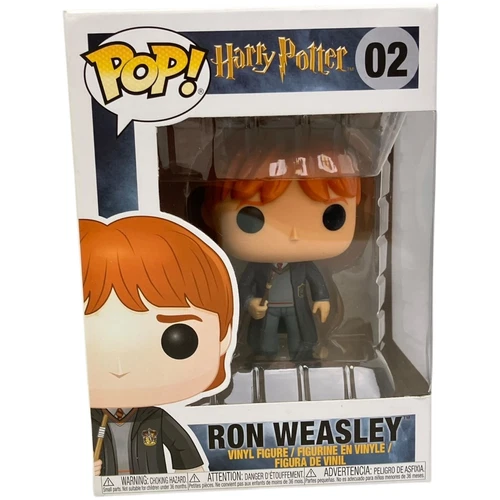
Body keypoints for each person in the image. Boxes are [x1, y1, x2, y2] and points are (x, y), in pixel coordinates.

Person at [79, 215, 236, 475]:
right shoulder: (88, 421)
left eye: (178, 339)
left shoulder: (155, 418)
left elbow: (189, 463)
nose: (120, 367)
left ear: (223, 338)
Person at [204, 148, 360, 360]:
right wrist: (249, 302)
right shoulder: (258, 265)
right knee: (265, 338)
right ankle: (264, 355)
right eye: (251, 218)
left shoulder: (303, 265)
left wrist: (322, 298)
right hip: (267, 309)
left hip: (296, 307)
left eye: (331, 217)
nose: (293, 235)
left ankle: (302, 353)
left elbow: (316, 280)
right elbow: (244, 285)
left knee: (299, 334)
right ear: (212, 216)